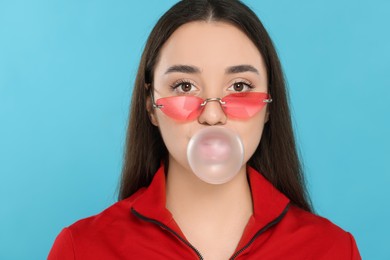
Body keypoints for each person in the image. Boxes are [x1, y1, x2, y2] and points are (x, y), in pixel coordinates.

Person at [48, 0, 361, 259]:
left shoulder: (333, 249)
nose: (212, 115)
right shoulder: (82, 248)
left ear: (268, 106)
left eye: (240, 85)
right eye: (185, 86)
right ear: (150, 106)